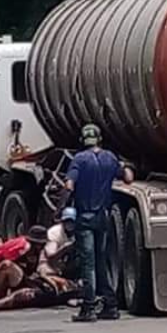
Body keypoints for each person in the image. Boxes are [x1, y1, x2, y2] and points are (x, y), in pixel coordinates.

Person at [65, 124, 134, 322]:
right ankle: (110, 306)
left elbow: (69, 184)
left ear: (83, 140)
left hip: (85, 218)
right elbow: (128, 178)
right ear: (99, 139)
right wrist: (126, 166)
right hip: (103, 217)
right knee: (101, 261)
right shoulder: (110, 158)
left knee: (88, 264)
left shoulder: (79, 159)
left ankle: (88, 308)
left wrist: (61, 207)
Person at [0, 225, 47, 312]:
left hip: (12, 276)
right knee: (6, 266)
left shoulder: (35, 251)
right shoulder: (23, 247)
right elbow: (5, 265)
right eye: (41, 244)